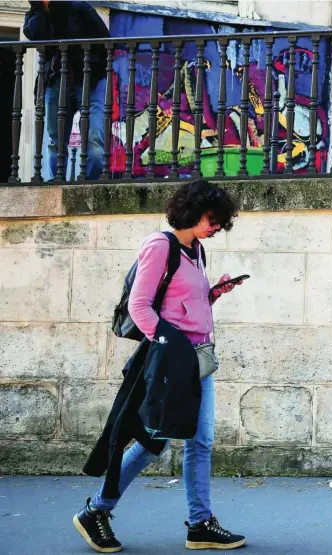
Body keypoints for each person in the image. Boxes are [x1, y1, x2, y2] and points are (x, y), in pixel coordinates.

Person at [74, 180, 247, 553]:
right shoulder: (160, 245)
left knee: (201, 442)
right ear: (191, 211)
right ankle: (96, 511)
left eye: (219, 222)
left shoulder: (195, 251)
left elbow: (184, 307)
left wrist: (213, 294)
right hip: (172, 360)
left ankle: (200, 524)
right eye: (211, 219)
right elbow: (140, 307)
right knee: (154, 442)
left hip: (198, 359)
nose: (215, 227)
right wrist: (170, 345)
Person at [23, 1, 110, 181]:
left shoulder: (79, 8)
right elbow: (36, 35)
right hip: (56, 81)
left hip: (90, 81)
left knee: (94, 141)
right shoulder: (35, 15)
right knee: (56, 141)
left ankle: (92, 183)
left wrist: (94, 69)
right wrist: (41, 8)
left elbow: (105, 41)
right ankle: (57, 181)